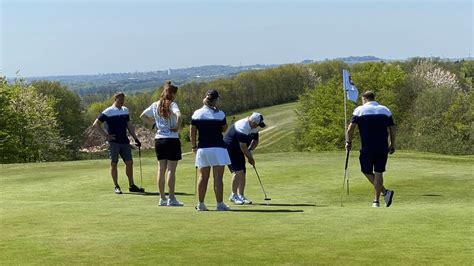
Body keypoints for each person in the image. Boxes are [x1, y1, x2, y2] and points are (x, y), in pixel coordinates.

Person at [346, 91, 396, 208]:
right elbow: (392, 129)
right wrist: (392, 144)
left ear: (364, 99)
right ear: (374, 98)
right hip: (382, 147)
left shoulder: (360, 110)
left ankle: (384, 193)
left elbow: (350, 129)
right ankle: (376, 201)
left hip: (367, 147)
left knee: (366, 171)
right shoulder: (385, 110)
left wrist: (348, 142)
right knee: (379, 173)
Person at [140, 81, 183, 207]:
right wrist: (177, 126)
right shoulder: (173, 104)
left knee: (161, 169)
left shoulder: (155, 105)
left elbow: (142, 116)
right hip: (172, 139)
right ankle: (171, 198)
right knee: (171, 170)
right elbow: (179, 115)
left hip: (159, 139)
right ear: (173, 94)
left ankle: (162, 198)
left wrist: (153, 125)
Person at [93, 92, 145, 194]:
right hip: (113, 142)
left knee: (129, 163)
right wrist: (106, 136)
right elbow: (96, 124)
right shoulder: (108, 111)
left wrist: (136, 138)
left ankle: (131, 185)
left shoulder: (125, 110)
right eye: (120, 99)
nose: (122, 101)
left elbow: (129, 125)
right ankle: (116, 186)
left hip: (125, 141)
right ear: (115, 99)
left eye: (123, 100)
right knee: (114, 163)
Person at [190, 89, 231, 211]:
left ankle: (201, 204)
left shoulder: (197, 113)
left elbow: (192, 133)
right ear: (215, 100)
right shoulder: (220, 114)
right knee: (218, 177)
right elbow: (224, 129)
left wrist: (193, 147)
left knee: (203, 176)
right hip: (218, 148)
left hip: (203, 148)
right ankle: (220, 204)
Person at [224, 112, 266, 205]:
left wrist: (250, 150)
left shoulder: (254, 126)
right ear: (253, 122)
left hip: (239, 149)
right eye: (257, 124)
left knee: (242, 172)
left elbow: (255, 141)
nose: (258, 127)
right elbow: (242, 146)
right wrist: (250, 158)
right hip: (230, 149)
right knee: (238, 172)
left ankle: (241, 195)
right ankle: (233, 195)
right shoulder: (242, 126)